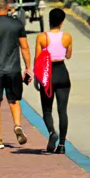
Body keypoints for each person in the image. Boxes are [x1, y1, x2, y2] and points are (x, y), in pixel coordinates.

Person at [0, 0, 32, 148]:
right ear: (7, 8)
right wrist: (28, 67)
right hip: (13, 69)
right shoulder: (16, 24)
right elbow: (24, 47)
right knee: (14, 100)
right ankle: (17, 125)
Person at [35, 8, 72, 154]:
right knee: (62, 111)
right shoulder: (67, 37)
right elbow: (68, 55)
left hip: (48, 73)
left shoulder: (42, 37)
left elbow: (38, 59)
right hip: (62, 73)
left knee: (47, 109)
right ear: (62, 22)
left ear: (49, 20)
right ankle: (62, 145)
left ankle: (51, 132)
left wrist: (37, 78)